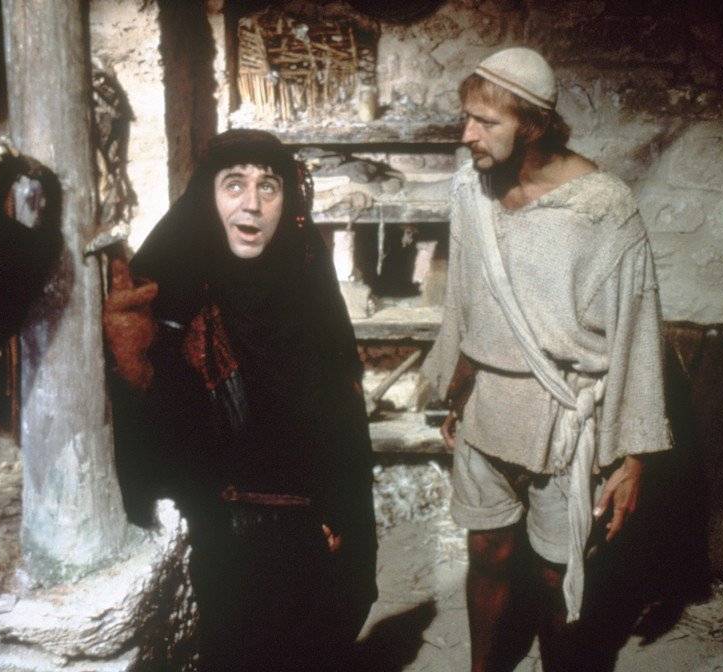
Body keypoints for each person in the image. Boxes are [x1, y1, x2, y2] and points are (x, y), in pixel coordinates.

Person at [421, 47, 672, 672]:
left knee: (558, 575)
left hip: (562, 416)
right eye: (467, 117)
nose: (467, 134)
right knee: (488, 552)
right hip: (487, 407)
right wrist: (458, 384)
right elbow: (467, 297)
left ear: (532, 126)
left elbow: (637, 332)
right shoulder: (471, 189)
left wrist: (632, 457)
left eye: (486, 122)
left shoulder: (602, 209)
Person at [102, 129, 378, 672]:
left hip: (301, 516)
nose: (252, 203)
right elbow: (143, 417)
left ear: (286, 201)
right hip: (211, 521)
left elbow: (341, 406)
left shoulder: (305, 273)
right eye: (234, 184)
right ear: (209, 195)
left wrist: (339, 508)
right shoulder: (169, 283)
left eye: (268, 186)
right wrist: (132, 365)